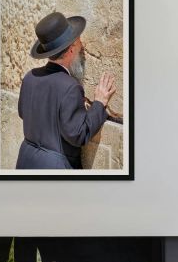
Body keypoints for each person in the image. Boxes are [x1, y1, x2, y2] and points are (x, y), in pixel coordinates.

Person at [15, 11, 117, 170]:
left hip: (26, 161)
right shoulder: (70, 87)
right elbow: (79, 134)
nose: (82, 46)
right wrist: (99, 103)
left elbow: (23, 113)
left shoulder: (29, 77)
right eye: (78, 42)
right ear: (71, 50)